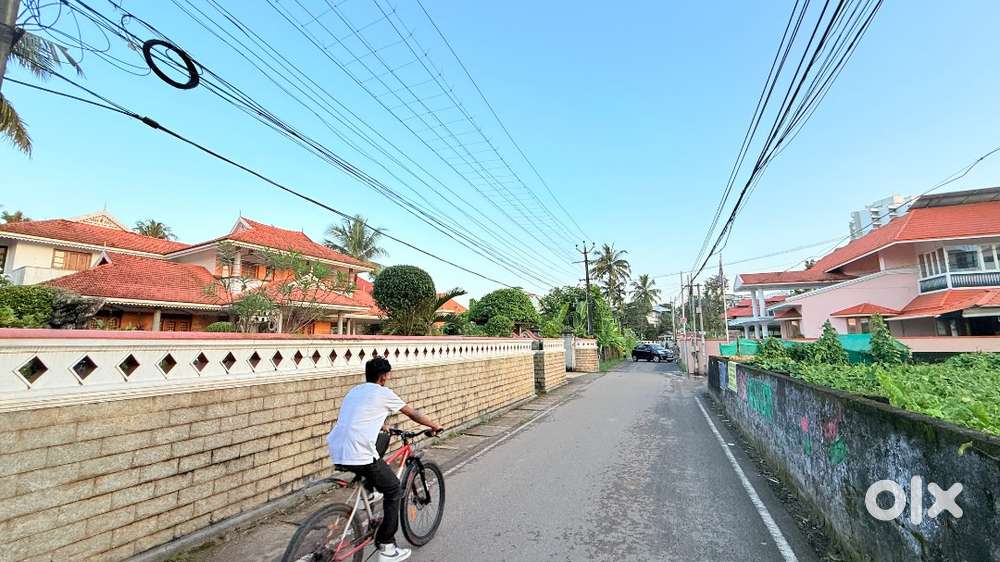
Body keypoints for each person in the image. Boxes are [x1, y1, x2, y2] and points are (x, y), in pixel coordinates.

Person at [327, 357, 443, 562]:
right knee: (394, 489)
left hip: (337, 448)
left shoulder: (355, 391)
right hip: (359, 452)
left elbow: (358, 417)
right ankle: (387, 546)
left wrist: (383, 426)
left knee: (381, 440)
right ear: (383, 376)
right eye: (388, 375)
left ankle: (369, 491)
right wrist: (434, 426)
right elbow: (412, 413)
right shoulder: (383, 393)